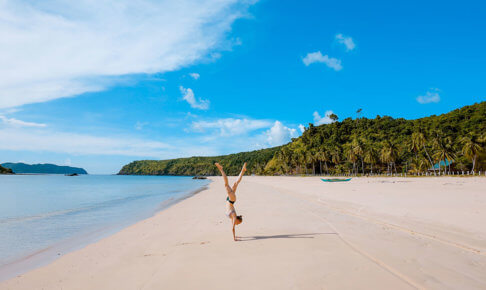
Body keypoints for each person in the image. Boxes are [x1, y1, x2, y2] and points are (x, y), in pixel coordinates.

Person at [215, 162, 246, 241]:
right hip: (231, 199)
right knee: (226, 184)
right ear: (238, 220)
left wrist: (236, 237)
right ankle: (221, 169)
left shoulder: (233, 218)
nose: (237, 224)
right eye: (238, 223)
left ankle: (242, 171)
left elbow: (233, 227)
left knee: (236, 183)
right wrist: (234, 238)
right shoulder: (234, 217)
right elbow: (233, 229)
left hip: (231, 199)